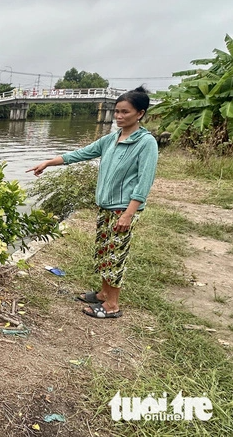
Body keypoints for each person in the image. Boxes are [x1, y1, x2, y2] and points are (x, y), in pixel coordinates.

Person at [26, 86, 158, 319]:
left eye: (125, 112)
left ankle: (112, 306)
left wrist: (128, 214)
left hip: (123, 209)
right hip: (106, 207)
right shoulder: (112, 138)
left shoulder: (146, 143)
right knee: (104, 252)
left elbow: (144, 182)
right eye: (117, 111)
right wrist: (48, 162)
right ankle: (103, 294)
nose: (119, 116)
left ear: (140, 113)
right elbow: (80, 154)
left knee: (116, 256)